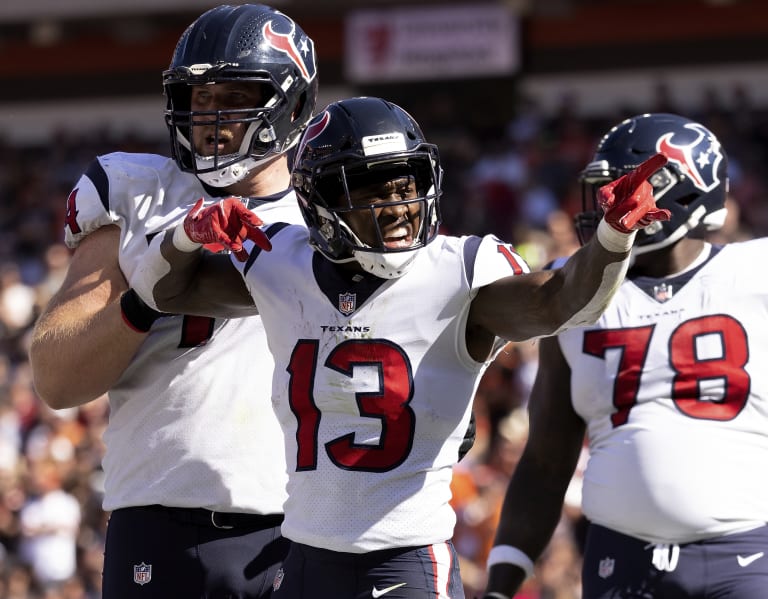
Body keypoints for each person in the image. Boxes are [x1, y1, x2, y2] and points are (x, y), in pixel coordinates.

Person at [128, 96, 670, 598]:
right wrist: (184, 237)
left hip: (404, 564)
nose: (397, 205)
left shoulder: (458, 273)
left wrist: (612, 237)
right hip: (303, 561)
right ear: (319, 199)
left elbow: (563, 303)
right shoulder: (277, 260)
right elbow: (161, 291)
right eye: (370, 188)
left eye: (405, 183)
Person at [27, 4, 318, 598]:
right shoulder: (137, 193)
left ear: (289, 105)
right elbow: (56, 378)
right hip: (160, 525)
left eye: (234, 96)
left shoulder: (328, 217)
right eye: (200, 98)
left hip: (308, 527)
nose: (212, 118)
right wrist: (153, 288)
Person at [483, 112, 768, 599]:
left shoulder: (754, 273)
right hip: (622, 558)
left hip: (746, 554)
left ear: (682, 190)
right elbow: (547, 459)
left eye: (625, 187)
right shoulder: (571, 293)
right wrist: (501, 583)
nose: (608, 204)